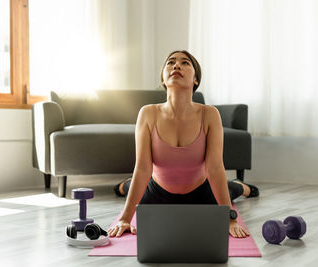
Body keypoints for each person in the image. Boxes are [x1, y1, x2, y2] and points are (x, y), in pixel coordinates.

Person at [108, 50, 259, 239]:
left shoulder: (210, 114)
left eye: (185, 63)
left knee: (230, 190)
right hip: (158, 191)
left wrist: (230, 219)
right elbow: (143, 168)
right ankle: (124, 185)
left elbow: (214, 169)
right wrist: (124, 219)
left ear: (196, 80)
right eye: (171, 62)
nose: (176, 65)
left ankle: (241, 185)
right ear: (163, 79)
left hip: (200, 191)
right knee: (132, 187)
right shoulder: (147, 113)